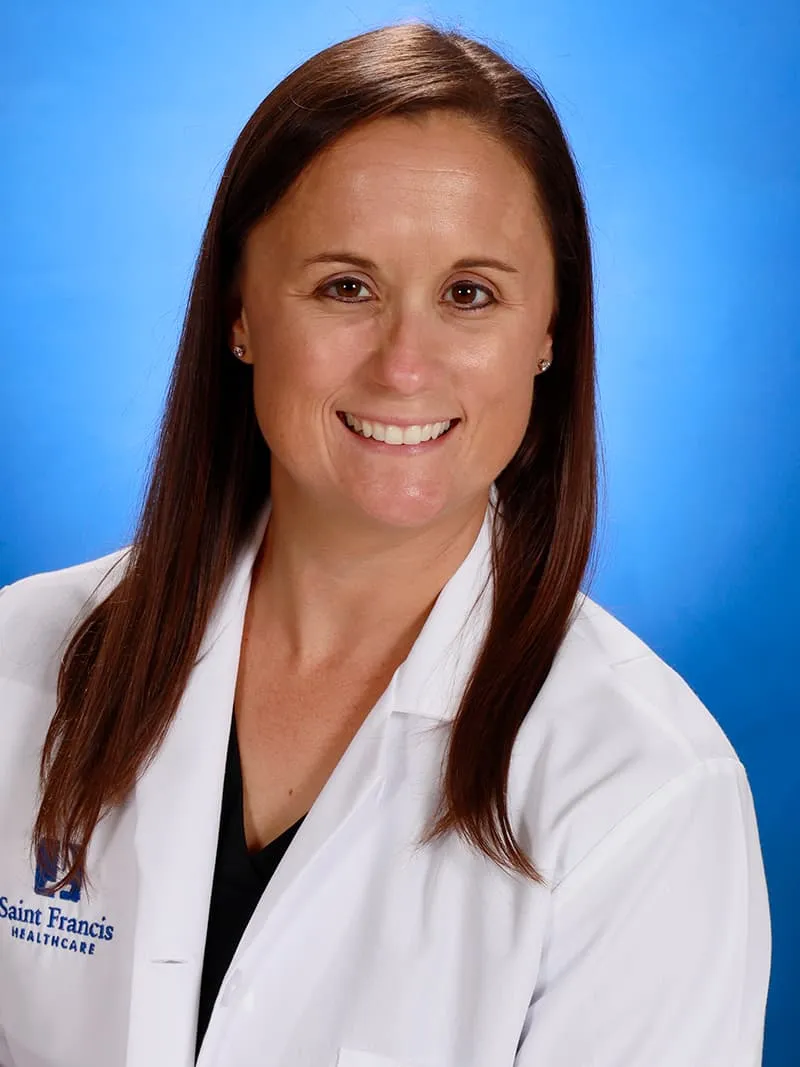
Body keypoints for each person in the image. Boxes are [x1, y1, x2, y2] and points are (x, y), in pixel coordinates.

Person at [0, 20, 771, 1067]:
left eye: (469, 294)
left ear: (549, 331)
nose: (405, 366)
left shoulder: (645, 787)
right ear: (238, 313)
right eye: (345, 287)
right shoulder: (19, 662)